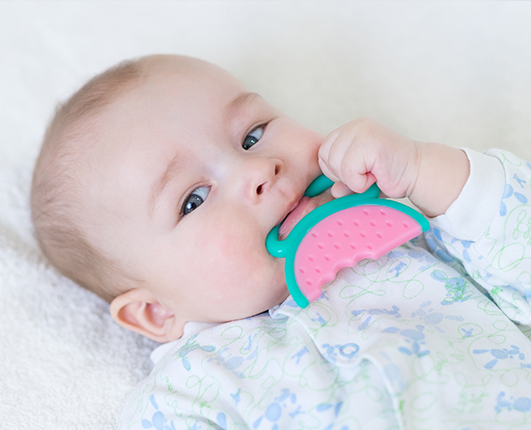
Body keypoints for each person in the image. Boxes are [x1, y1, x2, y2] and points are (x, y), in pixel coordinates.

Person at [31, 54, 531, 429]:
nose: (257, 171)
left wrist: (425, 169)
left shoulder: (405, 226)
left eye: (252, 135)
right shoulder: (188, 392)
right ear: (155, 313)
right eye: (193, 199)